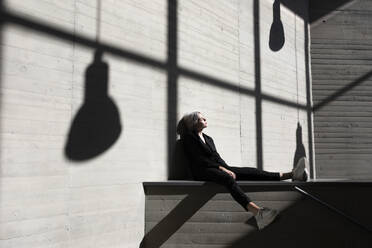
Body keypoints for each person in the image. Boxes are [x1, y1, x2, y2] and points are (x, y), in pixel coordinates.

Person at [177, 111, 308, 230]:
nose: (205, 119)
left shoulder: (208, 138)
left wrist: (227, 168)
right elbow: (200, 160)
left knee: (250, 171)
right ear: (194, 122)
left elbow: (217, 157)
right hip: (201, 171)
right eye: (201, 118)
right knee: (228, 178)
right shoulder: (189, 138)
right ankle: (258, 213)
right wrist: (223, 170)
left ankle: (292, 174)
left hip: (216, 168)